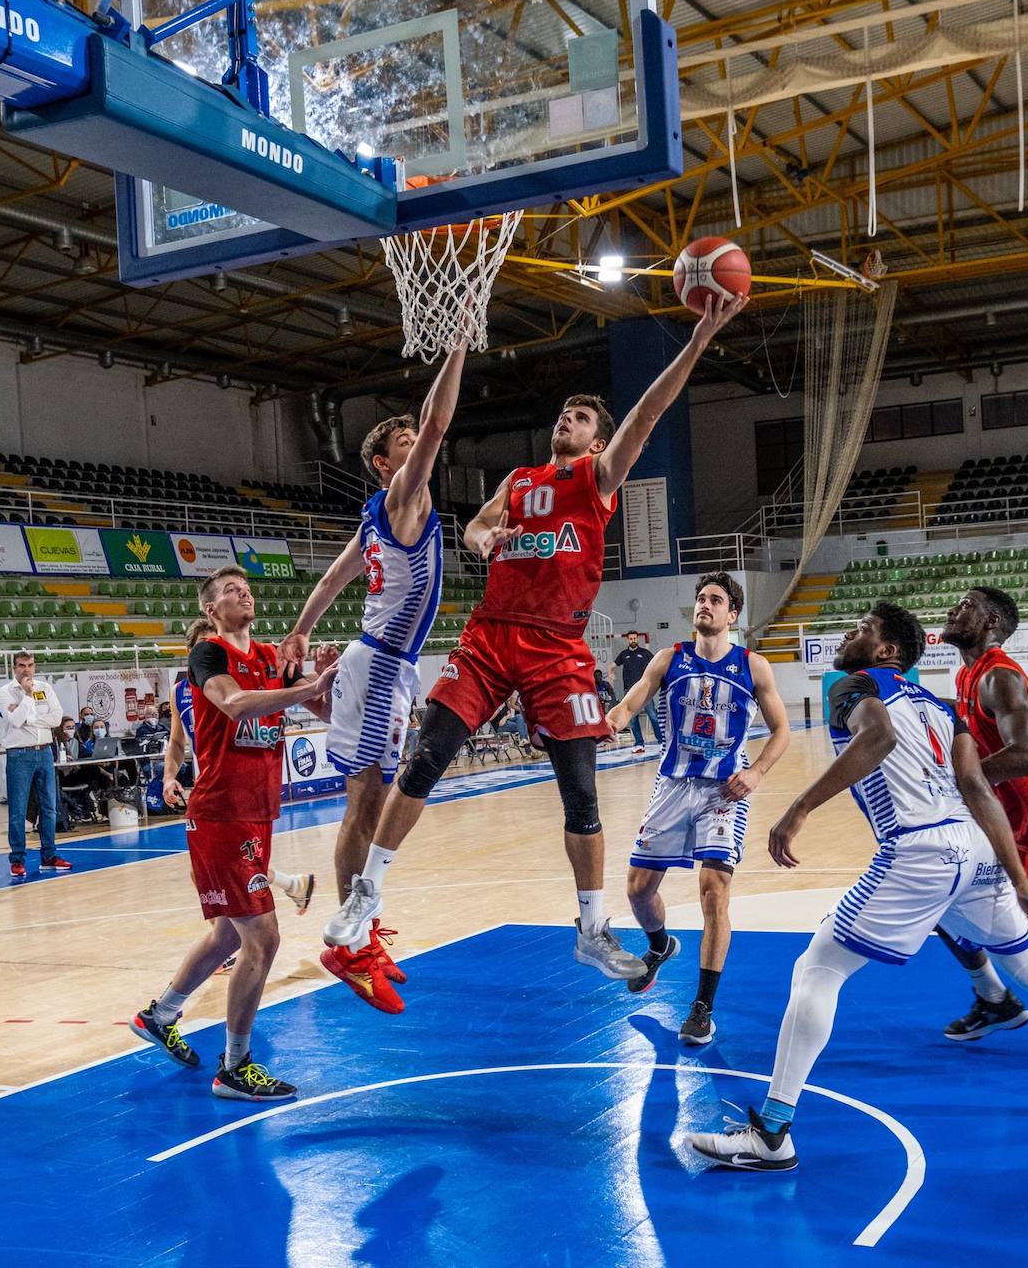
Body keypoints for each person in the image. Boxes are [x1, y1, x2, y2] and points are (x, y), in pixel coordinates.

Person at [327, 292, 750, 989]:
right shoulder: (519, 481)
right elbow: (472, 529)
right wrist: (484, 534)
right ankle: (364, 897)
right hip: (491, 635)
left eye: (580, 417)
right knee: (426, 756)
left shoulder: (597, 478)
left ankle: (590, 927)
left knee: (580, 796)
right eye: (564, 413)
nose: (567, 419)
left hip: (559, 647)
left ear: (595, 439)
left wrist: (701, 336)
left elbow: (647, 412)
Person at [687, 602, 1028, 1173]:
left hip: (918, 850)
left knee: (817, 970)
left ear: (885, 653)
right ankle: (993, 996)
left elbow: (875, 738)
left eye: (863, 629)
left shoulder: (853, 685)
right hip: (974, 848)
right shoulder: (939, 707)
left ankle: (771, 1135)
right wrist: (1020, 880)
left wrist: (799, 808)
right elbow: (975, 787)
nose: (850, 633)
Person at [279, 327, 470, 1015]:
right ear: (386, 466)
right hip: (381, 663)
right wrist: (457, 347)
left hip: (383, 664)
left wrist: (301, 629)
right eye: (404, 441)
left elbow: (330, 580)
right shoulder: (400, 501)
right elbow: (442, 420)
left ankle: (356, 931)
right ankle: (347, 945)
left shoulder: (372, 520)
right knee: (364, 803)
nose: (417, 441)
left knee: (370, 796)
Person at [131, 565, 335, 1101]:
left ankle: (162, 1015)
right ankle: (236, 1066)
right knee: (263, 937)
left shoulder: (273, 655)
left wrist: (325, 680)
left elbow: (322, 708)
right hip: (221, 813)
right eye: (228, 591)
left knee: (228, 934)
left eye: (245, 588)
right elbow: (234, 702)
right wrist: (305, 688)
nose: (242, 593)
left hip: (258, 811)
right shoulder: (210, 656)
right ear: (211, 611)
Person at [611, 572, 790, 1042]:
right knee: (637, 891)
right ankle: (660, 945)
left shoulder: (754, 667)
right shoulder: (669, 658)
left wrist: (755, 774)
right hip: (672, 784)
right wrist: (603, 722)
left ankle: (702, 1007)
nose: (704, 605)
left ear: (733, 614)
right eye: (700, 599)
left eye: (715, 600)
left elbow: (782, 731)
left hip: (723, 792)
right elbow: (628, 707)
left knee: (713, 892)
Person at [934, 585, 1028, 1038]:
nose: (953, 609)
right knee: (943, 901)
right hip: (1008, 824)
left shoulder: (1000, 676)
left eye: (966, 606)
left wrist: (958, 781)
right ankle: (993, 998)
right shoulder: (967, 675)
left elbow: (1026, 756)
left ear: (990, 622)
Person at [163, 616, 317, 923]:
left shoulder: (244, 682)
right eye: (208, 644)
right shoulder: (181, 690)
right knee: (213, 869)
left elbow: (298, 688)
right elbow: (177, 741)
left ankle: (228, 936)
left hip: (244, 788)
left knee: (233, 867)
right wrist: (169, 776)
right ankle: (291, 886)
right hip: (210, 788)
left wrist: (320, 679)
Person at [0, 650, 71, 879]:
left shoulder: (46, 688)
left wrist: (28, 718)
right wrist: (28, 697)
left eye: (30, 665)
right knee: (18, 810)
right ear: (13, 668)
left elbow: (56, 719)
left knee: (49, 807)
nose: (26, 669)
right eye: (21, 665)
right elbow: (15, 720)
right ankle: (17, 859)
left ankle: (49, 856)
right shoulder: (4, 692)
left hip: (45, 751)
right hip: (20, 755)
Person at [610, 632, 662, 752]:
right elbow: (612, 665)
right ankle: (639, 744)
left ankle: (661, 742)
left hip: (645, 690)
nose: (633, 640)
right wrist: (611, 673)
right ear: (628, 640)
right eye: (631, 638)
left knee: (653, 715)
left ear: (637, 639)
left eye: (634, 638)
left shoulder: (644, 653)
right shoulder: (624, 654)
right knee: (633, 719)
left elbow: (657, 662)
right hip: (629, 691)